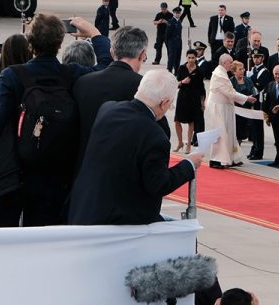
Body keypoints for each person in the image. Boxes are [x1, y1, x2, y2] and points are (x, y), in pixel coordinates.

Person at [67, 69, 201, 225]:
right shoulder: (155, 136)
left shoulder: (108, 110)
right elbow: (158, 185)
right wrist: (189, 165)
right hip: (118, 220)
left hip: (85, 208)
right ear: (164, 103)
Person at [73, 26, 151, 166]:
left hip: (84, 171)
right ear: (142, 54)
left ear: (111, 51)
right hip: (123, 173)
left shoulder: (83, 82)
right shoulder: (143, 86)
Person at [205, 54, 256, 169]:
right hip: (219, 108)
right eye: (230, 62)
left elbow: (230, 91)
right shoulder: (219, 75)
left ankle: (231, 158)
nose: (232, 64)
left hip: (225, 107)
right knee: (220, 134)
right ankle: (216, 159)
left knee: (229, 133)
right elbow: (230, 92)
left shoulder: (222, 72)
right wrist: (246, 98)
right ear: (224, 63)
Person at [174, 49, 206, 153]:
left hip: (194, 98)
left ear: (196, 58)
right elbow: (176, 84)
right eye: (189, 57)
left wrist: (202, 102)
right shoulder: (182, 68)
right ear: (186, 57)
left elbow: (202, 88)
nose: (191, 60)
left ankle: (188, 143)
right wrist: (183, 81)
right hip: (182, 97)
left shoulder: (199, 71)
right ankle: (180, 142)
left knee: (191, 121)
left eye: (193, 58)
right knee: (177, 120)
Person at [165, 6, 184, 74]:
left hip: (179, 41)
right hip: (172, 41)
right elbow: (167, 34)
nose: (177, 14)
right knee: (172, 57)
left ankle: (176, 70)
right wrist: (168, 43)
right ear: (173, 13)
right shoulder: (170, 21)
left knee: (178, 56)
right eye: (176, 13)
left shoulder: (179, 21)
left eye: (179, 13)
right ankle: (169, 69)